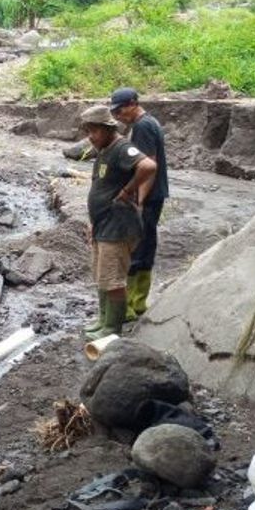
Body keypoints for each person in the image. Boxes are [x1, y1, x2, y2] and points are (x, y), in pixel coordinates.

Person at [79, 105, 157, 340]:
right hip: (104, 224)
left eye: (94, 131)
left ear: (107, 128)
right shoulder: (104, 149)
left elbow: (149, 166)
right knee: (102, 275)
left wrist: (127, 190)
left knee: (113, 279)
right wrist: (93, 221)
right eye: (88, 131)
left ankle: (113, 327)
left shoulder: (122, 147)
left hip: (119, 226)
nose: (90, 137)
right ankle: (103, 319)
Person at [109, 87, 168, 321]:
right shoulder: (149, 122)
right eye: (115, 112)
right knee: (146, 245)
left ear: (133, 103)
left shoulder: (143, 127)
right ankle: (139, 301)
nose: (118, 115)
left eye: (121, 110)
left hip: (148, 197)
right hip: (155, 196)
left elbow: (149, 166)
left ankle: (131, 305)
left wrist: (139, 200)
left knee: (136, 248)